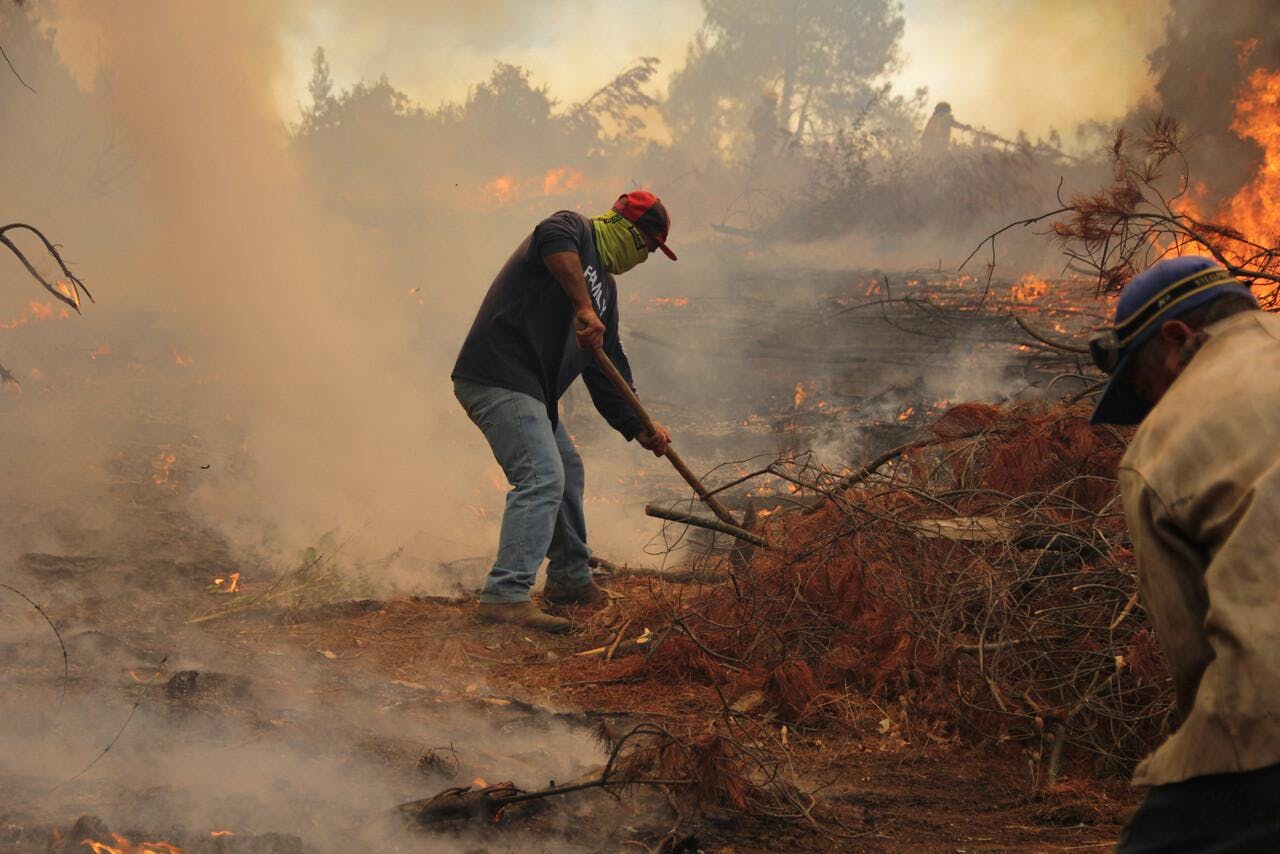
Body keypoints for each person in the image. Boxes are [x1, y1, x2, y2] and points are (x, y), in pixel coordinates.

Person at [1088, 255, 1280, 851]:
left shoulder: (1161, 445)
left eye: (1146, 387)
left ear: (1176, 337)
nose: (1152, 406)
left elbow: (1194, 656)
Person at [451, 191, 676, 633]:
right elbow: (551, 236)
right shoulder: (574, 230)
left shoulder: (605, 293)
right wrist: (582, 305)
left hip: (530, 391)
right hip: (498, 375)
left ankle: (570, 579)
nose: (645, 259)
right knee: (541, 476)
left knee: (566, 470)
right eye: (648, 248)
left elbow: (607, 364)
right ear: (631, 234)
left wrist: (640, 425)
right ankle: (506, 595)